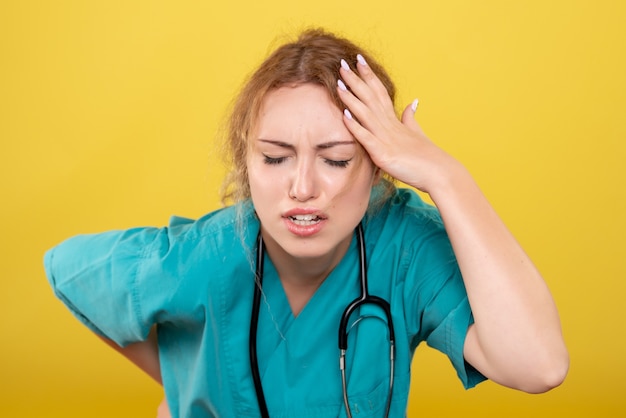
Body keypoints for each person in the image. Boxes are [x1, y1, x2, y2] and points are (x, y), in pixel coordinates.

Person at [44, 28, 569, 418]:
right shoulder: (211, 253)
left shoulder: (405, 247)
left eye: (336, 159)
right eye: (274, 158)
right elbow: (67, 269)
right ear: (245, 164)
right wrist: (183, 385)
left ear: (380, 168)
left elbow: (539, 365)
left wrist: (447, 176)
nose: (302, 187)